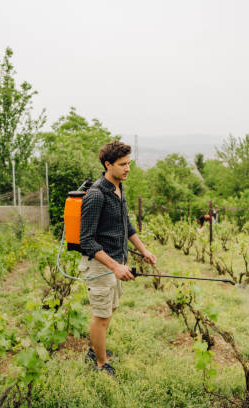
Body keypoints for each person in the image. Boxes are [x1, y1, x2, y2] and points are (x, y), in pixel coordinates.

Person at [79, 140, 157, 377]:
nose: (128, 169)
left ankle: (97, 350)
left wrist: (143, 250)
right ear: (107, 165)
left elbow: (127, 225)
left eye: (129, 164)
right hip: (101, 264)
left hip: (115, 262)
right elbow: (87, 241)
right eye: (123, 164)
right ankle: (100, 363)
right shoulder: (96, 196)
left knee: (109, 309)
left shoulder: (119, 189)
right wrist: (114, 267)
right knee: (101, 315)